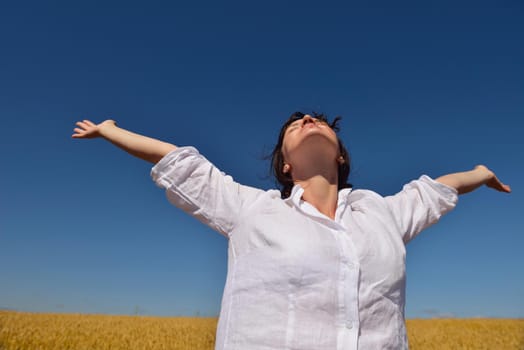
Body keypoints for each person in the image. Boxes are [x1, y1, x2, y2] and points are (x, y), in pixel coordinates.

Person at [72, 113, 511, 350]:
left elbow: (436, 190)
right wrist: (110, 131)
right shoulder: (252, 209)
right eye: (295, 123)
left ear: (340, 156)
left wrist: (478, 172)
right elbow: (178, 160)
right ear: (284, 163)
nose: (308, 120)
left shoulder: (382, 213)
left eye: (318, 120)